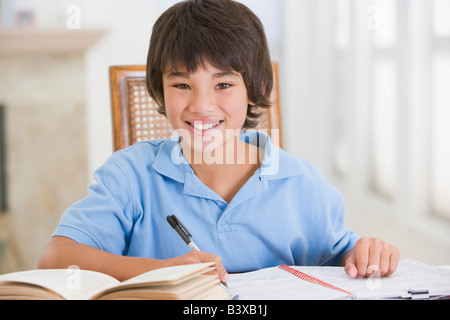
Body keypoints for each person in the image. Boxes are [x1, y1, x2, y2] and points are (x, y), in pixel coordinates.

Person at [38, 0, 399, 284]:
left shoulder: (304, 186)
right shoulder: (130, 176)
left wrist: (367, 253)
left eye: (223, 85)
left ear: (256, 90)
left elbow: (347, 259)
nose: (201, 105)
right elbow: (54, 259)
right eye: (181, 85)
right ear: (159, 94)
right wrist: (161, 271)